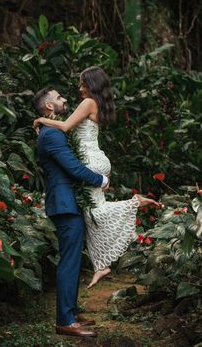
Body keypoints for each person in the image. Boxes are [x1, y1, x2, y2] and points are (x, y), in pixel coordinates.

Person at [34, 66, 159, 291]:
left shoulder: (88, 103)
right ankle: (100, 263)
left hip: (90, 161)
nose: (79, 88)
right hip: (96, 158)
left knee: (95, 212)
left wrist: (40, 120)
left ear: (91, 85)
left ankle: (134, 203)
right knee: (91, 213)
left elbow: (64, 126)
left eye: (82, 83)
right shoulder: (96, 104)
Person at [34, 86, 110, 337]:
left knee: (73, 259)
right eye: (58, 98)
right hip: (64, 203)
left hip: (68, 201)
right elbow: (74, 168)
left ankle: (72, 311)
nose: (64, 99)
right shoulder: (52, 136)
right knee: (69, 261)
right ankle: (65, 321)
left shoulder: (51, 131)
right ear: (48, 107)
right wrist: (101, 181)